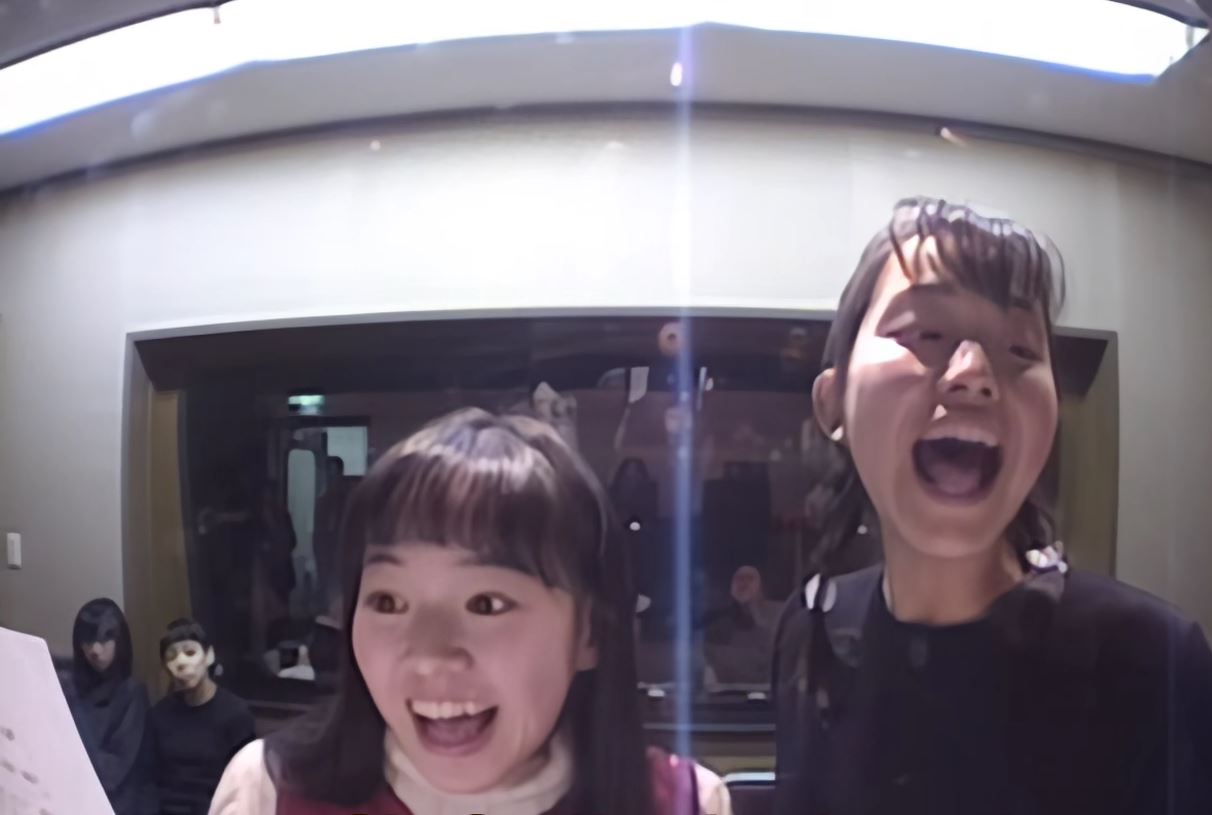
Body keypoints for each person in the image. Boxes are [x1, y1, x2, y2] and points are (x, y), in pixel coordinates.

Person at [772, 197, 1212, 815]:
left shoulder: (1150, 660)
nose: (974, 372)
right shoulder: (808, 630)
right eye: (927, 333)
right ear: (833, 402)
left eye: (1021, 351)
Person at [210, 408, 732, 815]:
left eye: (486, 604)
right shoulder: (270, 793)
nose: (429, 656)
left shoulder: (681, 803)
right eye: (388, 602)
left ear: (589, 633)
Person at [149, 618, 256, 815]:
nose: (181, 662)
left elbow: (246, 786)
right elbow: (152, 780)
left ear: (209, 656)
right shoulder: (160, 714)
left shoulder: (236, 714)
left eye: (190, 652)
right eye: (172, 656)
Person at [65, 599, 157, 815]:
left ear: (120, 641)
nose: (95, 650)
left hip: (116, 804)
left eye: (105, 639)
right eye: (87, 641)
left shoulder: (132, 694)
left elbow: (112, 772)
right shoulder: (69, 690)